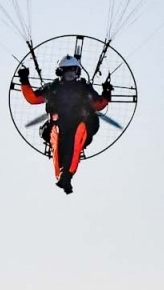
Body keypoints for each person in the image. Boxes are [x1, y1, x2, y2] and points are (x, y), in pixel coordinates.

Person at [18, 55, 112, 195]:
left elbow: (98, 105)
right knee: (60, 145)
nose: (70, 74)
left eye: (73, 71)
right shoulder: (52, 88)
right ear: (60, 72)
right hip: (58, 128)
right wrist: (24, 80)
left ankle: (66, 177)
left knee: (75, 140)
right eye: (67, 71)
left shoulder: (83, 88)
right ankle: (64, 177)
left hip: (80, 127)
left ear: (77, 72)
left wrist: (106, 93)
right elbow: (33, 98)